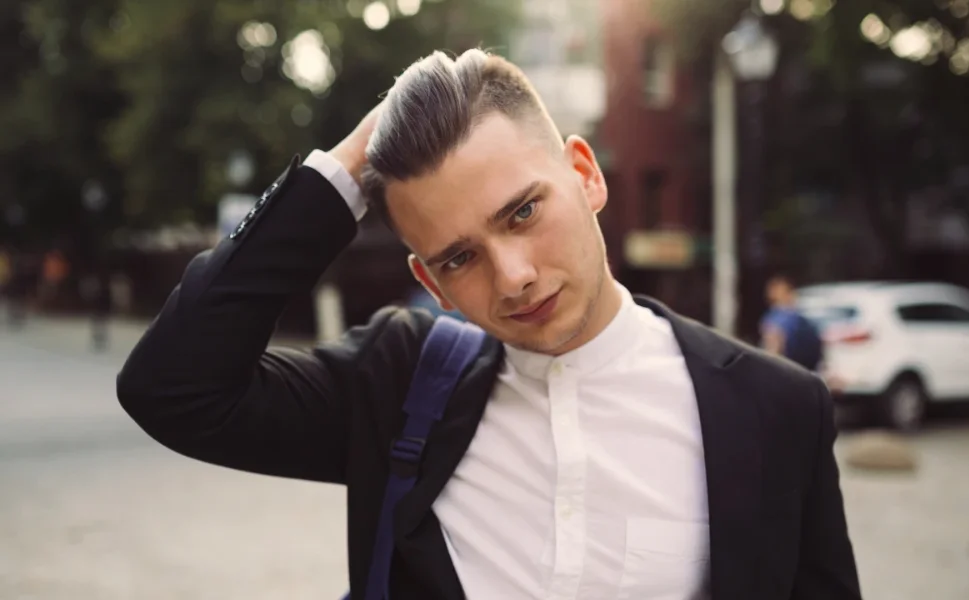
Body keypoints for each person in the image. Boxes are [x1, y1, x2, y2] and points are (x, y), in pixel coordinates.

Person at [118, 50, 860, 600]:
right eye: (460, 256)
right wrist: (340, 175)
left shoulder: (776, 409)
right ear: (429, 282)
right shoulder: (399, 379)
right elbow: (173, 387)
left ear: (587, 173)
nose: (514, 277)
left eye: (523, 211)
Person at [760, 272, 825, 372]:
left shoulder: (777, 317)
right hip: (804, 371)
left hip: (785, 371)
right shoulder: (801, 319)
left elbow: (773, 345)